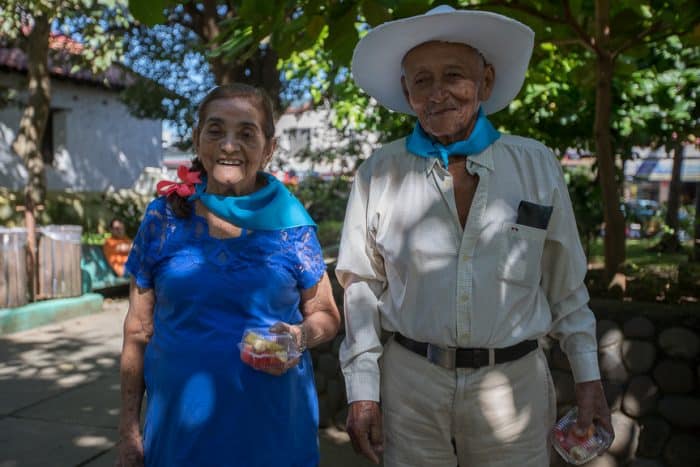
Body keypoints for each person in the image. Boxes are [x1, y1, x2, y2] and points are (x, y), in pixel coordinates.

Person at [336, 5, 613, 467]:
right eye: (421, 81)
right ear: (407, 92)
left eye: (454, 76)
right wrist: (363, 391)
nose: (438, 93)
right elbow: (362, 286)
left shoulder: (535, 163)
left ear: (485, 82)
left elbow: (565, 282)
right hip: (410, 388)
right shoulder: (378, 173)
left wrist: (588, 376)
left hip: (514, 390)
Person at [117, 83, 340, 466]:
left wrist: (300, 337)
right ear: (197, 138)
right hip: (180, 426)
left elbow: (326, 315)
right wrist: (128, 431)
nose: (229, 146)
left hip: (273, 425)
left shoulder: (292, 225)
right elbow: (138, 329)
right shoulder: (163, 217)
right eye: (216, 130)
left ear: (269, 148)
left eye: (246, 133)